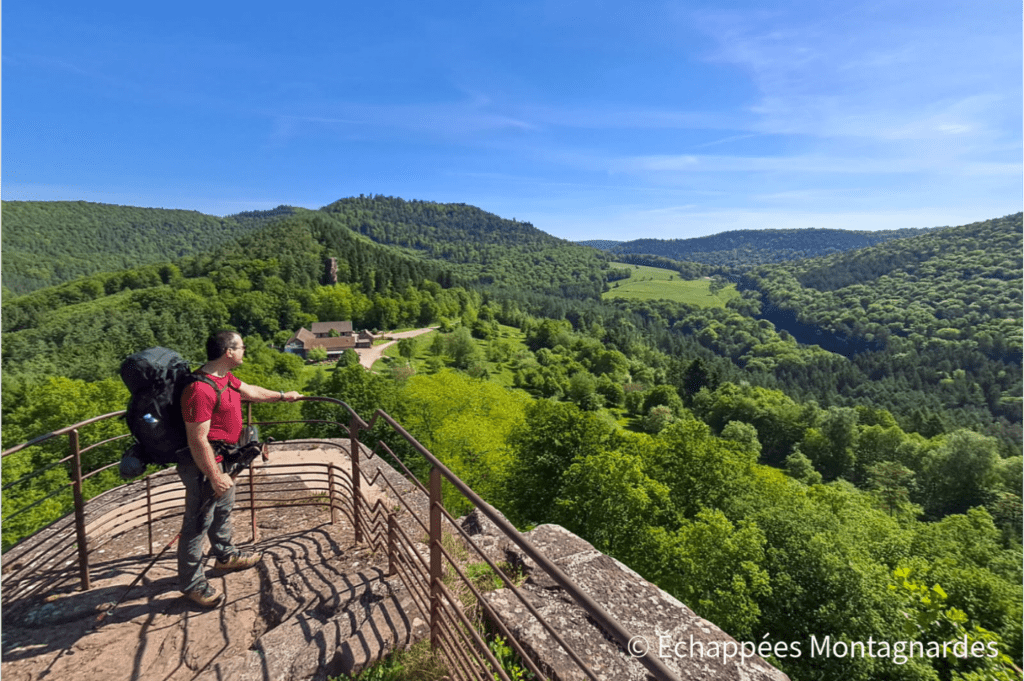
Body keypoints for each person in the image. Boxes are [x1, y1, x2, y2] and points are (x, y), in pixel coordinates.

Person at [178, 330, 302, 607]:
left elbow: (252, 392)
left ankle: (225, 556)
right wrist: (213, 475)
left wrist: (283, 396)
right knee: (197, 523)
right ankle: (191, 583)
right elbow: (197, 439)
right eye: (242, 347)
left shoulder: (224, 378)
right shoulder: (200, 389)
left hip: (226, 460)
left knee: (222, 511)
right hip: (205, 465)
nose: (245, 351)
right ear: (228, 352)